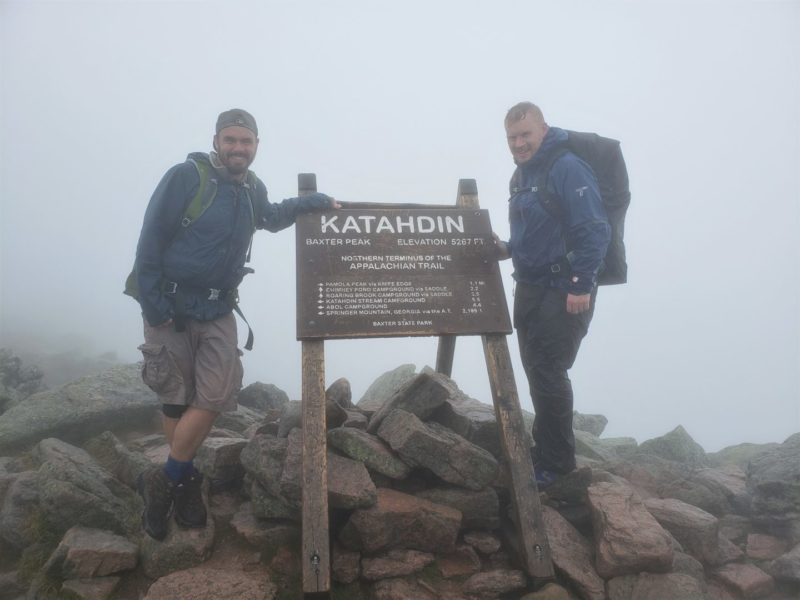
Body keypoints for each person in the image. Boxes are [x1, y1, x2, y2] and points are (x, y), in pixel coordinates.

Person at [127, 108, 337, 540]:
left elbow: (272, 217)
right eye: (231, 140)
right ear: (217, 141)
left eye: (246, 142)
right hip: (171, 305)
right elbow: (151, 235)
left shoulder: (251, 189)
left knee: (215, 395)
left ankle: (163, 478)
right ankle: (185, 482)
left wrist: (311, 202)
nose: (239, 148)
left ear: (256, 146)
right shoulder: (187, 177)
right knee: (175, 396)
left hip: (219, 308)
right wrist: (152, 304)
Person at [495, 102, 610, 488]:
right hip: (529, 285)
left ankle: (558, 467)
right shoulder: (521, 175)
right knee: (535, 368)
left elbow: (595, 228)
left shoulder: (567, 166)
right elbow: (537, 229)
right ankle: (543, 452)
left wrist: (581, 285)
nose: (519, 143)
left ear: (543, 128)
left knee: (547, 369)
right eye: (512, 138)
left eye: (525, 134)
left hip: (563, 289)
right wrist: (509, 248)